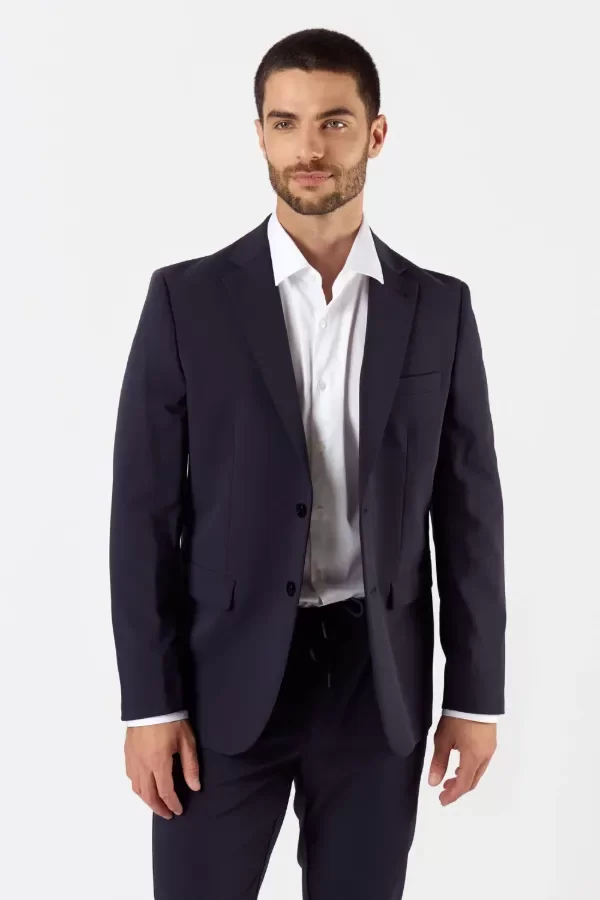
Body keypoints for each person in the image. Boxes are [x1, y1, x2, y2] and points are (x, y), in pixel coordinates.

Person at [109, 26, 506, 900]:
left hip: (377, 683)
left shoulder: (438, 309)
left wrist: (475, 698)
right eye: (285, 123)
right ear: (259, 134)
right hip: (220, 684)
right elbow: (142, 514)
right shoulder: (185, 300)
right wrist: (151, 703)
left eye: (334, 122)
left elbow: (469, 512)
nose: (309, 149)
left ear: (376, 133)